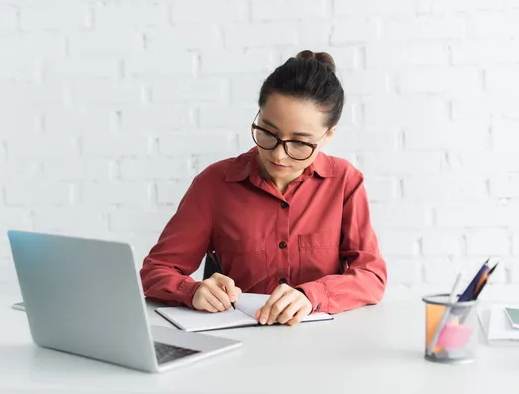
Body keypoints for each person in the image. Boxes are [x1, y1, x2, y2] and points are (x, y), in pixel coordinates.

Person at [140, 50, 387, 327]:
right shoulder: (214, 184)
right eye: (268, 133)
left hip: (321, 346)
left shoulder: (344, 182)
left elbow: (371, 275)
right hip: (240, 342)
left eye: (299, 143)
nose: (279, 155)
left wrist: (312, 295)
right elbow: (155, 271)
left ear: (328, 136)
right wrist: (193, 291)